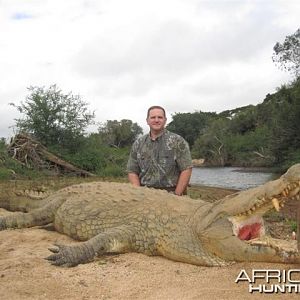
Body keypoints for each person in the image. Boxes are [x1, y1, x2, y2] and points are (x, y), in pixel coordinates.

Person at [127, 105, 193, 196]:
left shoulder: (178, 141)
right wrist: (139, 193)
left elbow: (186, 169)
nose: (156, 120)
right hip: (144, 193)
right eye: (153, 117)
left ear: (165, 120)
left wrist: (176, 195)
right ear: (147, 121)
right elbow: (132, 171)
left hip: (171, 193)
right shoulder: (138, 143)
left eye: (160, 117)